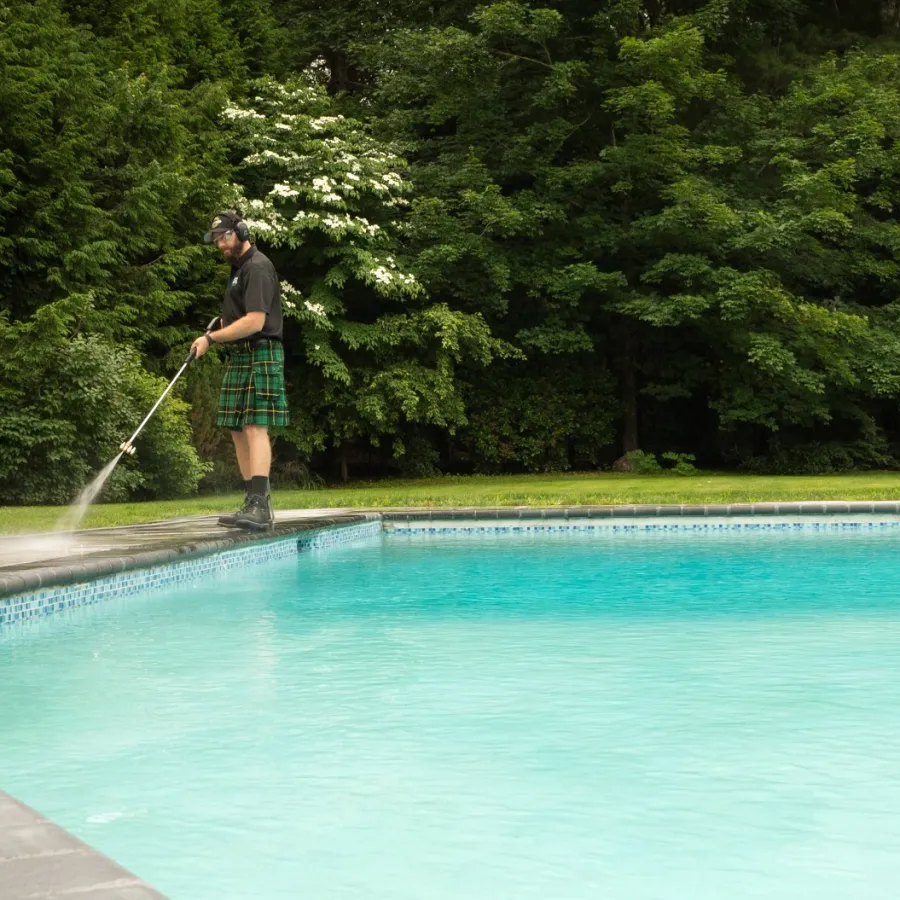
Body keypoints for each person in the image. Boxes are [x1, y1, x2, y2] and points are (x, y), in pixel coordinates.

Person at [191, 211, 289, 530]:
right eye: (216, 240)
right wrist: (218, 327)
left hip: (262, 352)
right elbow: (237, 318)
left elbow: (255, 321)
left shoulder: (258, 267)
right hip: (241, 355)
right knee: (236, 428)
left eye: (225, 237)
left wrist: (211, 338)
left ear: (241, 232)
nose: (220, 244)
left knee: (254, 426)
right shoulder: (238, 270)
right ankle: (251, 501)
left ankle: (260, 505)